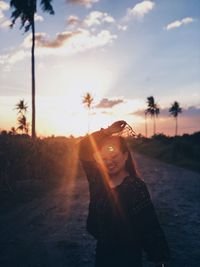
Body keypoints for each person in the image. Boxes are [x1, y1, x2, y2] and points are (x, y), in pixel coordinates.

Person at [79, 120, 170, 267]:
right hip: (102, 253)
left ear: (125, 155)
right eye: (104, 159)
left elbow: (149, 225)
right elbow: (83, 147)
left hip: (128, 256)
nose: (109, 162)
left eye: (114, 156)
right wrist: (106, 132)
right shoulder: (98, 180)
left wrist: (159, 258)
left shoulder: (135, 187)